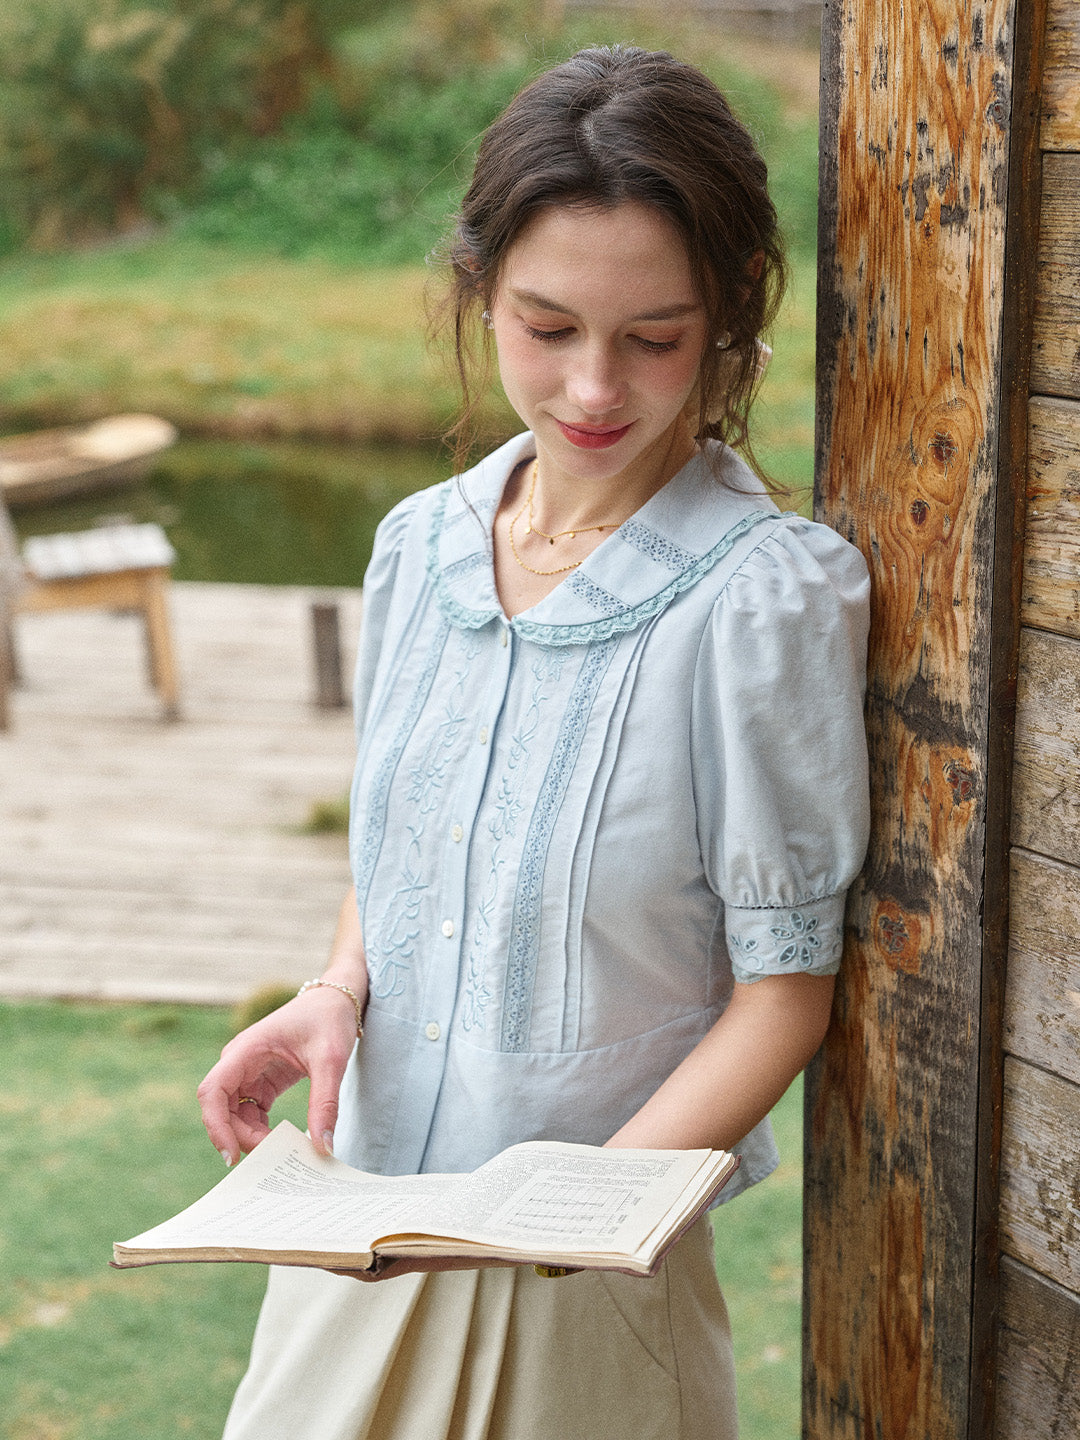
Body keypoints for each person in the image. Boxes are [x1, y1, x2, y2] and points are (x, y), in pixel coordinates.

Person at [197, 43, 870, 1440]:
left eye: (654, 336)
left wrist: (567, 1220)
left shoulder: (764, 596)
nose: (592, 387)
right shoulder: (418, 548)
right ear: (478, 292)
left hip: (582, 1297)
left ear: (732, 319)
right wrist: (336, 990)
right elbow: (407, 841)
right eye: (546, 326)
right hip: (354, 1235)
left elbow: (785, 991)